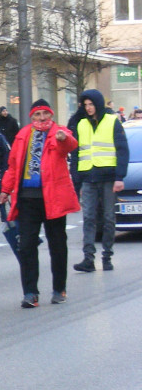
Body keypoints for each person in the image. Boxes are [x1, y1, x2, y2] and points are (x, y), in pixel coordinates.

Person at [0, 99, 80, 308]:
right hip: (28, 199)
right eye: (37, 114)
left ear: (51, 115)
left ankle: (59, 289)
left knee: (58, 245)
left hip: (53, 199)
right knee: (26, 246)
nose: (42, 118)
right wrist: (5, 190)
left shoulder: (58, 131)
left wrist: (63, 139)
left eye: (45, 114)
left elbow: (70, 144)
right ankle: (30, 293)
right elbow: (13, 165)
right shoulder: (23, 134)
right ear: (31, 117)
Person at [71, 89, 129, 272]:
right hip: (88, 177)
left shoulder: (112, 121)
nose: (88, 108)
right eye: (85, 105)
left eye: (91, 104)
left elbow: (122, 150)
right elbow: (76, 154)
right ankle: (88, 258)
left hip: (108, 178)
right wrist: (77, 182)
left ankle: (107, 256)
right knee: (88, 217)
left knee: (108, 218)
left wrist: (120, 177)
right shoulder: (81, 124)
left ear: (98, 103)